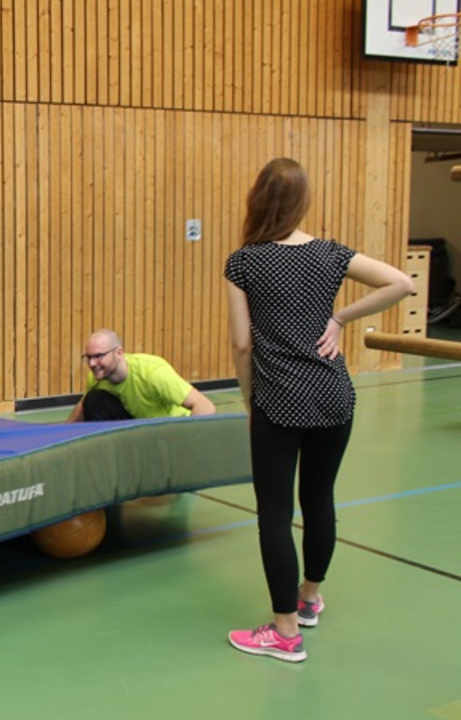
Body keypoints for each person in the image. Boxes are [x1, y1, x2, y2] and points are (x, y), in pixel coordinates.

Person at [223, 157, 413, 662]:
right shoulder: (330, 255)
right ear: (303, 201)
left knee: (275, 513)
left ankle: (285, 632)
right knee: (320, 498)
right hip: (334, 397)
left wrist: (249, 398)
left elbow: (242, 345)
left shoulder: (244, 262)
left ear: (256, 198)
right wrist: (342, 317)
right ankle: (308, 599)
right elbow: (401, 283)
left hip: (278, 403)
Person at [66, 329, 215, 422]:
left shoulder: (153, 372)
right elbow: (82, 407)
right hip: (137, 428)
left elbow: (205, 407)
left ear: (118, 353)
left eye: (98, 356)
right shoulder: (98, 375)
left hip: (167, 430)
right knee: (94, 400)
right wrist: (60, 435)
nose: (92, 363)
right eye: (88, 357)